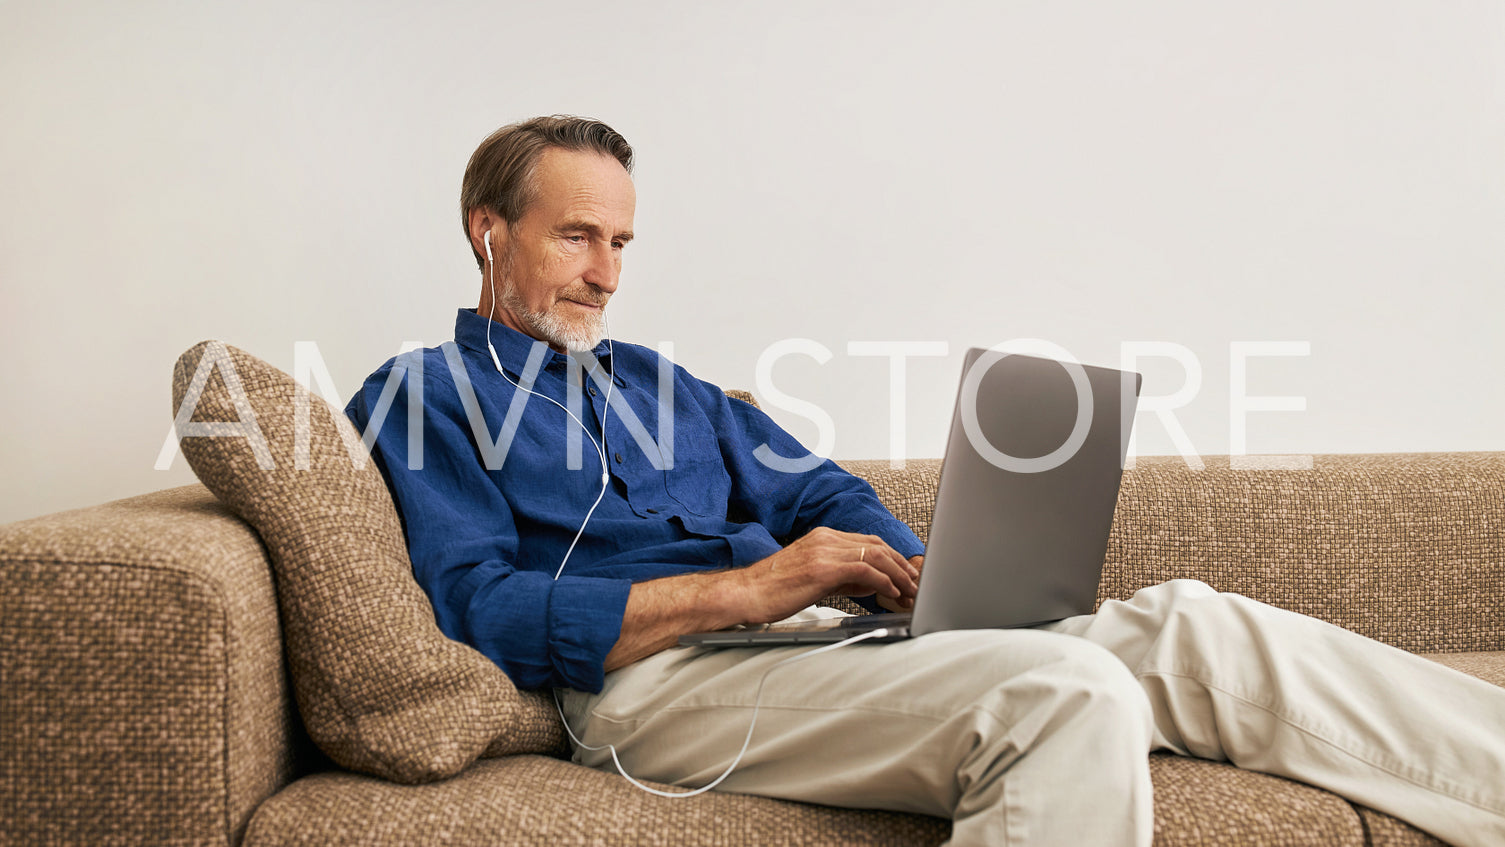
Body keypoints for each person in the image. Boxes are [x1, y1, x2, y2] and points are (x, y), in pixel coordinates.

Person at [347, 115, 1505, 847]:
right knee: (1061, 692)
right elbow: (478, 607)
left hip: (807, 648)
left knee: (1190, 625)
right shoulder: (422, 393)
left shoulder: (659, 382)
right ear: (487, 231)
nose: (605, 275)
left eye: (622, 245)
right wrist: (748, 592)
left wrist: (908, 570)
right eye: (576, 238)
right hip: (647, 688)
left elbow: (816, 491)